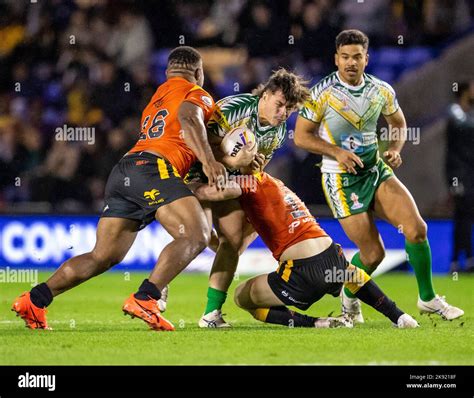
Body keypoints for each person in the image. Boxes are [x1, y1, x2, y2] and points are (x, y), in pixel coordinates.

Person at [12, 46, 227, 331]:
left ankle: (35, 300)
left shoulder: (158, 97)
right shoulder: (196, 93)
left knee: (103, 255)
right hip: (153, 168)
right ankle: (147, 297)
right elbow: (189, 119)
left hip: (126, 169)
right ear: (198, 73)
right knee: (197, 234)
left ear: (167, 72)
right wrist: (211, 162)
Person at [294, 29, 463, 322]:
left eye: (357, 56)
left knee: (417, 230)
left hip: (375, 170)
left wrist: (396, 148)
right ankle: (349, 294)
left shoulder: (381, 89)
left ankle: (428, 298)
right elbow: (301, 137)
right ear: (336, 59)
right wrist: (337, 153)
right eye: (345, 57)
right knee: (373, 254)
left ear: (366, 59)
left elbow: (398, 123)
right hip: (340, 180)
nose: (351, 62)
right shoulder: (321, 94)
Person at [190, 171, 419, 329]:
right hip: (329, 252)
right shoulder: (275, 183)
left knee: (242, 297)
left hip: (301, 272)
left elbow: (211, 193)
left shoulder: (246, 182)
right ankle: (400, 317)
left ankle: (315, 323)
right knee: (349, 274)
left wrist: (187, 184)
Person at [185, 68, 310, 327]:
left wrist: (249, 167)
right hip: (191, 175)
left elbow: (248, 172)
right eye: (280, 105)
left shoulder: (277, 133)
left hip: (224, 183)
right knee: (197, 236)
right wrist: (232, 159)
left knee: (231, 242)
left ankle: (211, 314)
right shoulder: (235, 107)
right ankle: (157, 286)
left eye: (289, 110)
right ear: (266, 95)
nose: (283, 113)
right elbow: (195, 142)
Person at [445, 80, 474, 273]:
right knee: (461, 215)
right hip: (459, 174)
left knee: (467, 216)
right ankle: (458, 260)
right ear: (464, 91)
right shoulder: (455, 112)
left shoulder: (468, 114)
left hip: (469, 174)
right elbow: (465, 126)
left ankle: (467, 258)